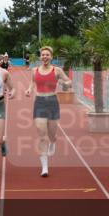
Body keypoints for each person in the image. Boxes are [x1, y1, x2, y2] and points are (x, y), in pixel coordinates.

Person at [25, 45, 72, 177]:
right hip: (39, 102)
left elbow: (69, 82)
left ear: (51, 57)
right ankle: (45, 167)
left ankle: (53, 141)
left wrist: (65, 84)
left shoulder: (57, 70)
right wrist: (29, 90)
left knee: (51, 134)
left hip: (52, 102)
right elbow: (32, 83)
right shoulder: (34, 70)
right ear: (40, 57)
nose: (45, 57)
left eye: (47, 55)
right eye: (43, 55)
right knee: (42, 135)